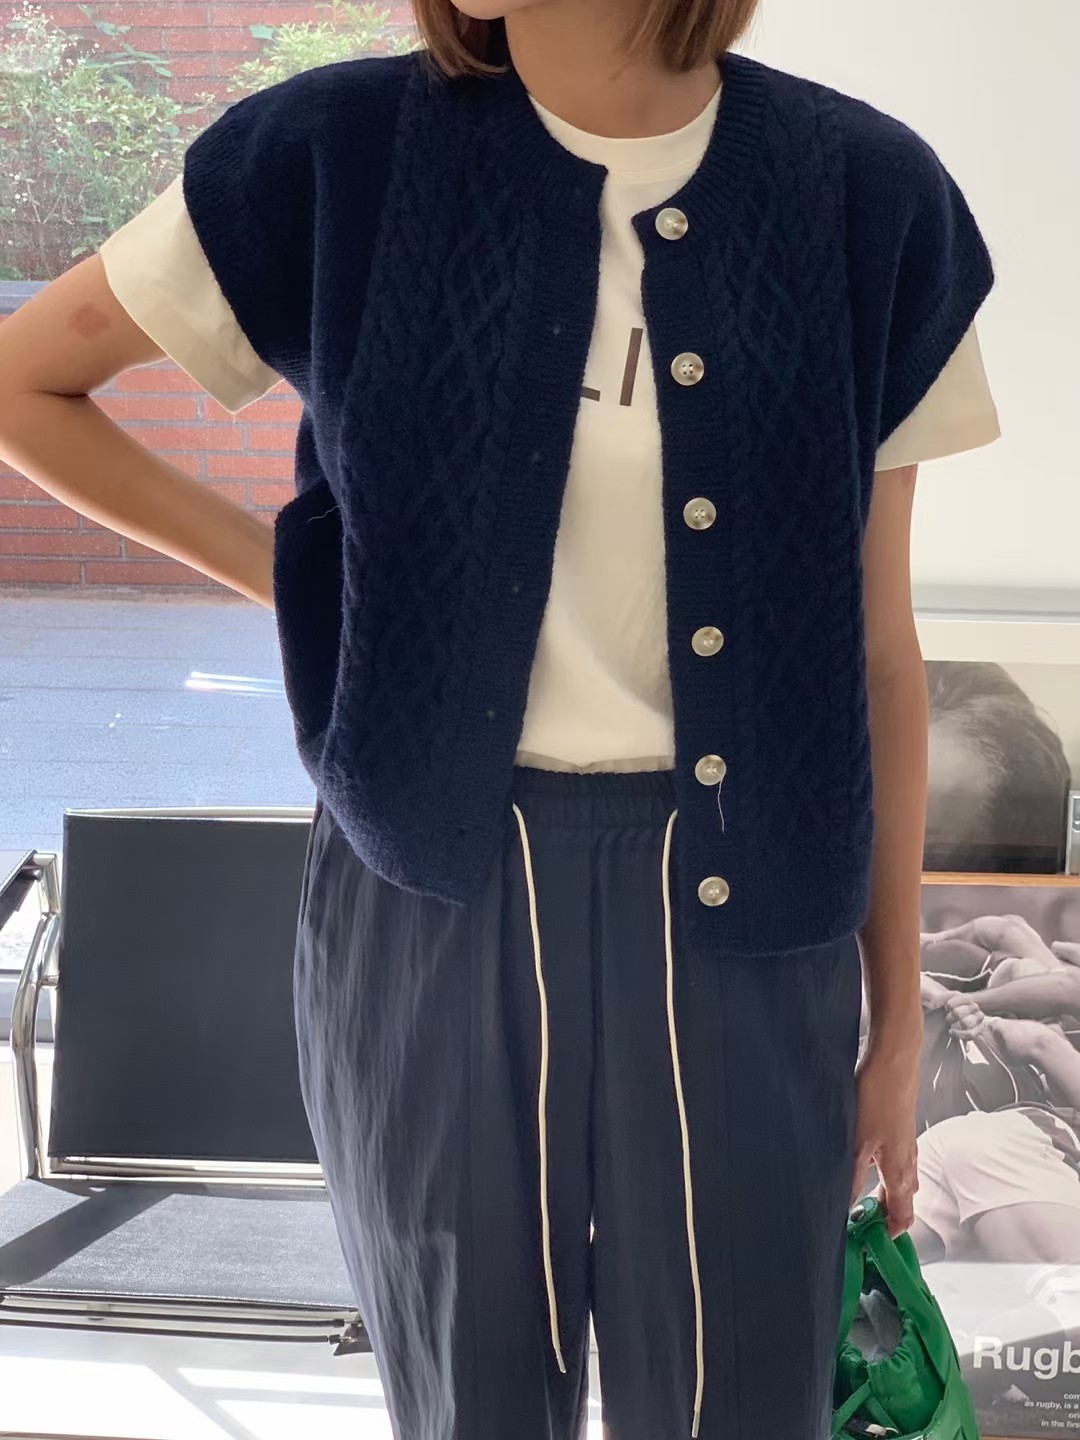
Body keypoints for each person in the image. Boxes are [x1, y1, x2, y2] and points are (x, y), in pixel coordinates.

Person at [0, 3, 1001, 1436]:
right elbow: (27, 381)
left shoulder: (867, 194)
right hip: (430, 908)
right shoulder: (333, 156)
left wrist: (899, 1026)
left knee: (736, 1405)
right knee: (467, 1399)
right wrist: (306, 578)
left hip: (753, 921)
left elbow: (880, 655)